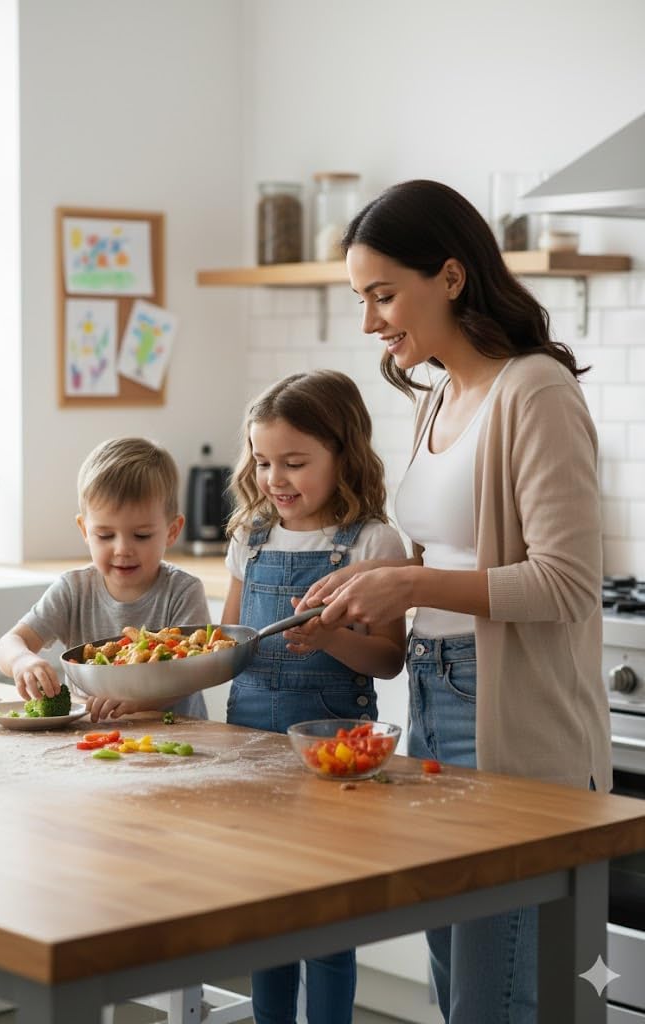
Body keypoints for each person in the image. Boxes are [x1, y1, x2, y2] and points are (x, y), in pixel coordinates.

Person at [297, 180, 612, 1024]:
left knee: (492, 995)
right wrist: (363, 579)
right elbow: (442, 547)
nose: (369, 322)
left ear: (449, 276)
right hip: (433, 697)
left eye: (382, 295)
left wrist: (413, 582)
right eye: (361, 299)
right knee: (456, 980)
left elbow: (567, 581)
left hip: (510, 710)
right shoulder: (438, 393)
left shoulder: (534, 390)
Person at [222, 369, 407, 1024]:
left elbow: (387, 659)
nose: (275, 478)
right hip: (253, 753)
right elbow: (231, 639)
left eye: (295, 462)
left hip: (337, 764)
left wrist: (331, 641)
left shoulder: (371, 543)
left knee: (328, 926)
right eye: (264, 460)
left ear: (343, 453)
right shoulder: (251, 536)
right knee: (267, 922)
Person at [0, 437, 208, 723]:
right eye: (105, 535)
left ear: (172, 531)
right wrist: (22, 661)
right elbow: (10, 642)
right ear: (84, 529)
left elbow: (192, 674)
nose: (122, 549)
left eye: (141, 535)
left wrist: (135, 700)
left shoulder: (182, 591)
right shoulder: (73, 590)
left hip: (178, 740)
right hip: (92, 740)